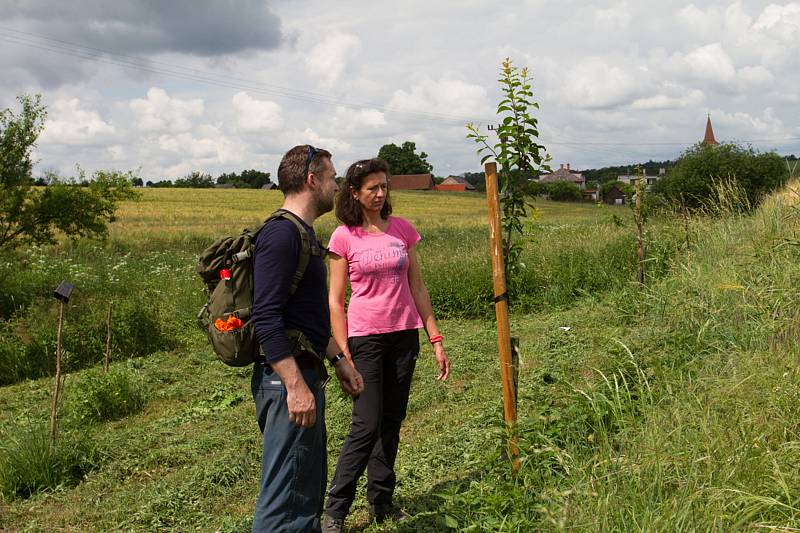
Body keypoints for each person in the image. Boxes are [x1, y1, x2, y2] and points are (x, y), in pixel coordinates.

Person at [322, 158, 450, 532]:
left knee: (391, 422)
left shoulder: (403, 231)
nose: (380, 194)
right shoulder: (343, 237)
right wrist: (343, 353)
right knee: (366, 424)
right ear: (355, 194)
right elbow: (335, 300)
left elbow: (418, 287)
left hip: (404, 336)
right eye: (371, 188)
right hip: (366, 340)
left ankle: (381, 501)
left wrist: (435, 338)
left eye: (383, 187)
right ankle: (335, 511)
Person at [250, 145, 364, 533]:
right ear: (312, 180)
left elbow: (310, 317)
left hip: (304, 375)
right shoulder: (281, 234)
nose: (337, 186)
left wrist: (339, 360)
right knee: (285, 501)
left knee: (304, 491)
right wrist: (295, 386)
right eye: (332, 177)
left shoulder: (304, 234)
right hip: (287, 381)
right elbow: (266, 319)